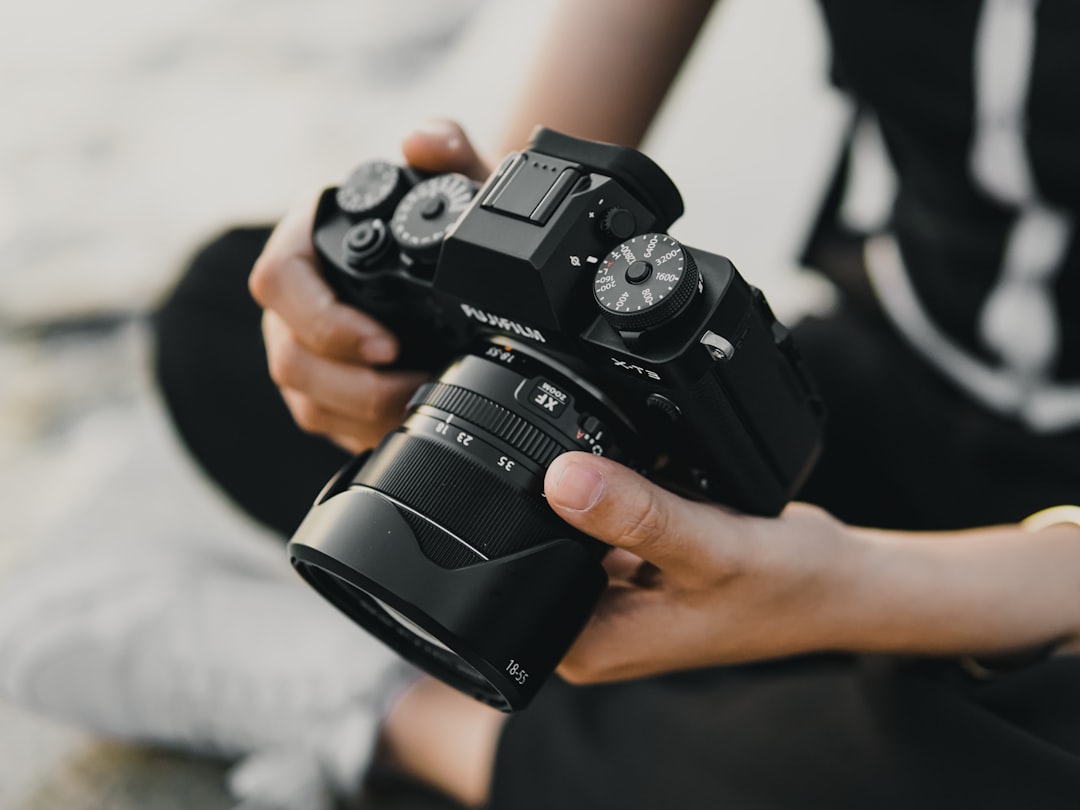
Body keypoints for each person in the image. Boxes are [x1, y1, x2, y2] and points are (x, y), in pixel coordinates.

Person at [247, 0, 1080, 806]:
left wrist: (853, 584)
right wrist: (480, 263)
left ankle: (402, 722)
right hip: (896, 362)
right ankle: (732, 701)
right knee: (236, 307)